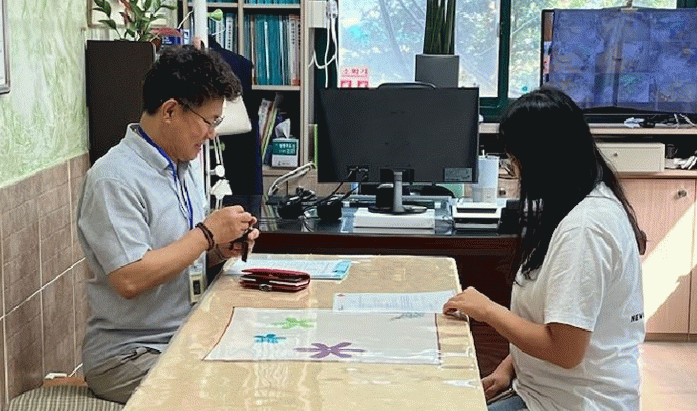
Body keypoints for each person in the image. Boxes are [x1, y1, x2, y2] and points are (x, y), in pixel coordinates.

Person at [77, 45, 260, 404]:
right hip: (129, 355)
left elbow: (179, 258)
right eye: (208, 121)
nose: (212, 134)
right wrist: (207, 234)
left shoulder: (184, 167)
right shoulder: (113, 178)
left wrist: (220, 249)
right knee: (224, 397)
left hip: (183, 336)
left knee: (264, 372)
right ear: (171, 111)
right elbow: (130, 278)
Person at [443, 87, 646, 411]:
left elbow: (565, 350)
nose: (515, 171)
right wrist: (509, 367)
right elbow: (555, 320)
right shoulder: (576, 205)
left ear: (542, 160)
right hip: (541, 392)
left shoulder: (585, 229)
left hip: (574, 404)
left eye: (515, 160)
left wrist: (488, 310)